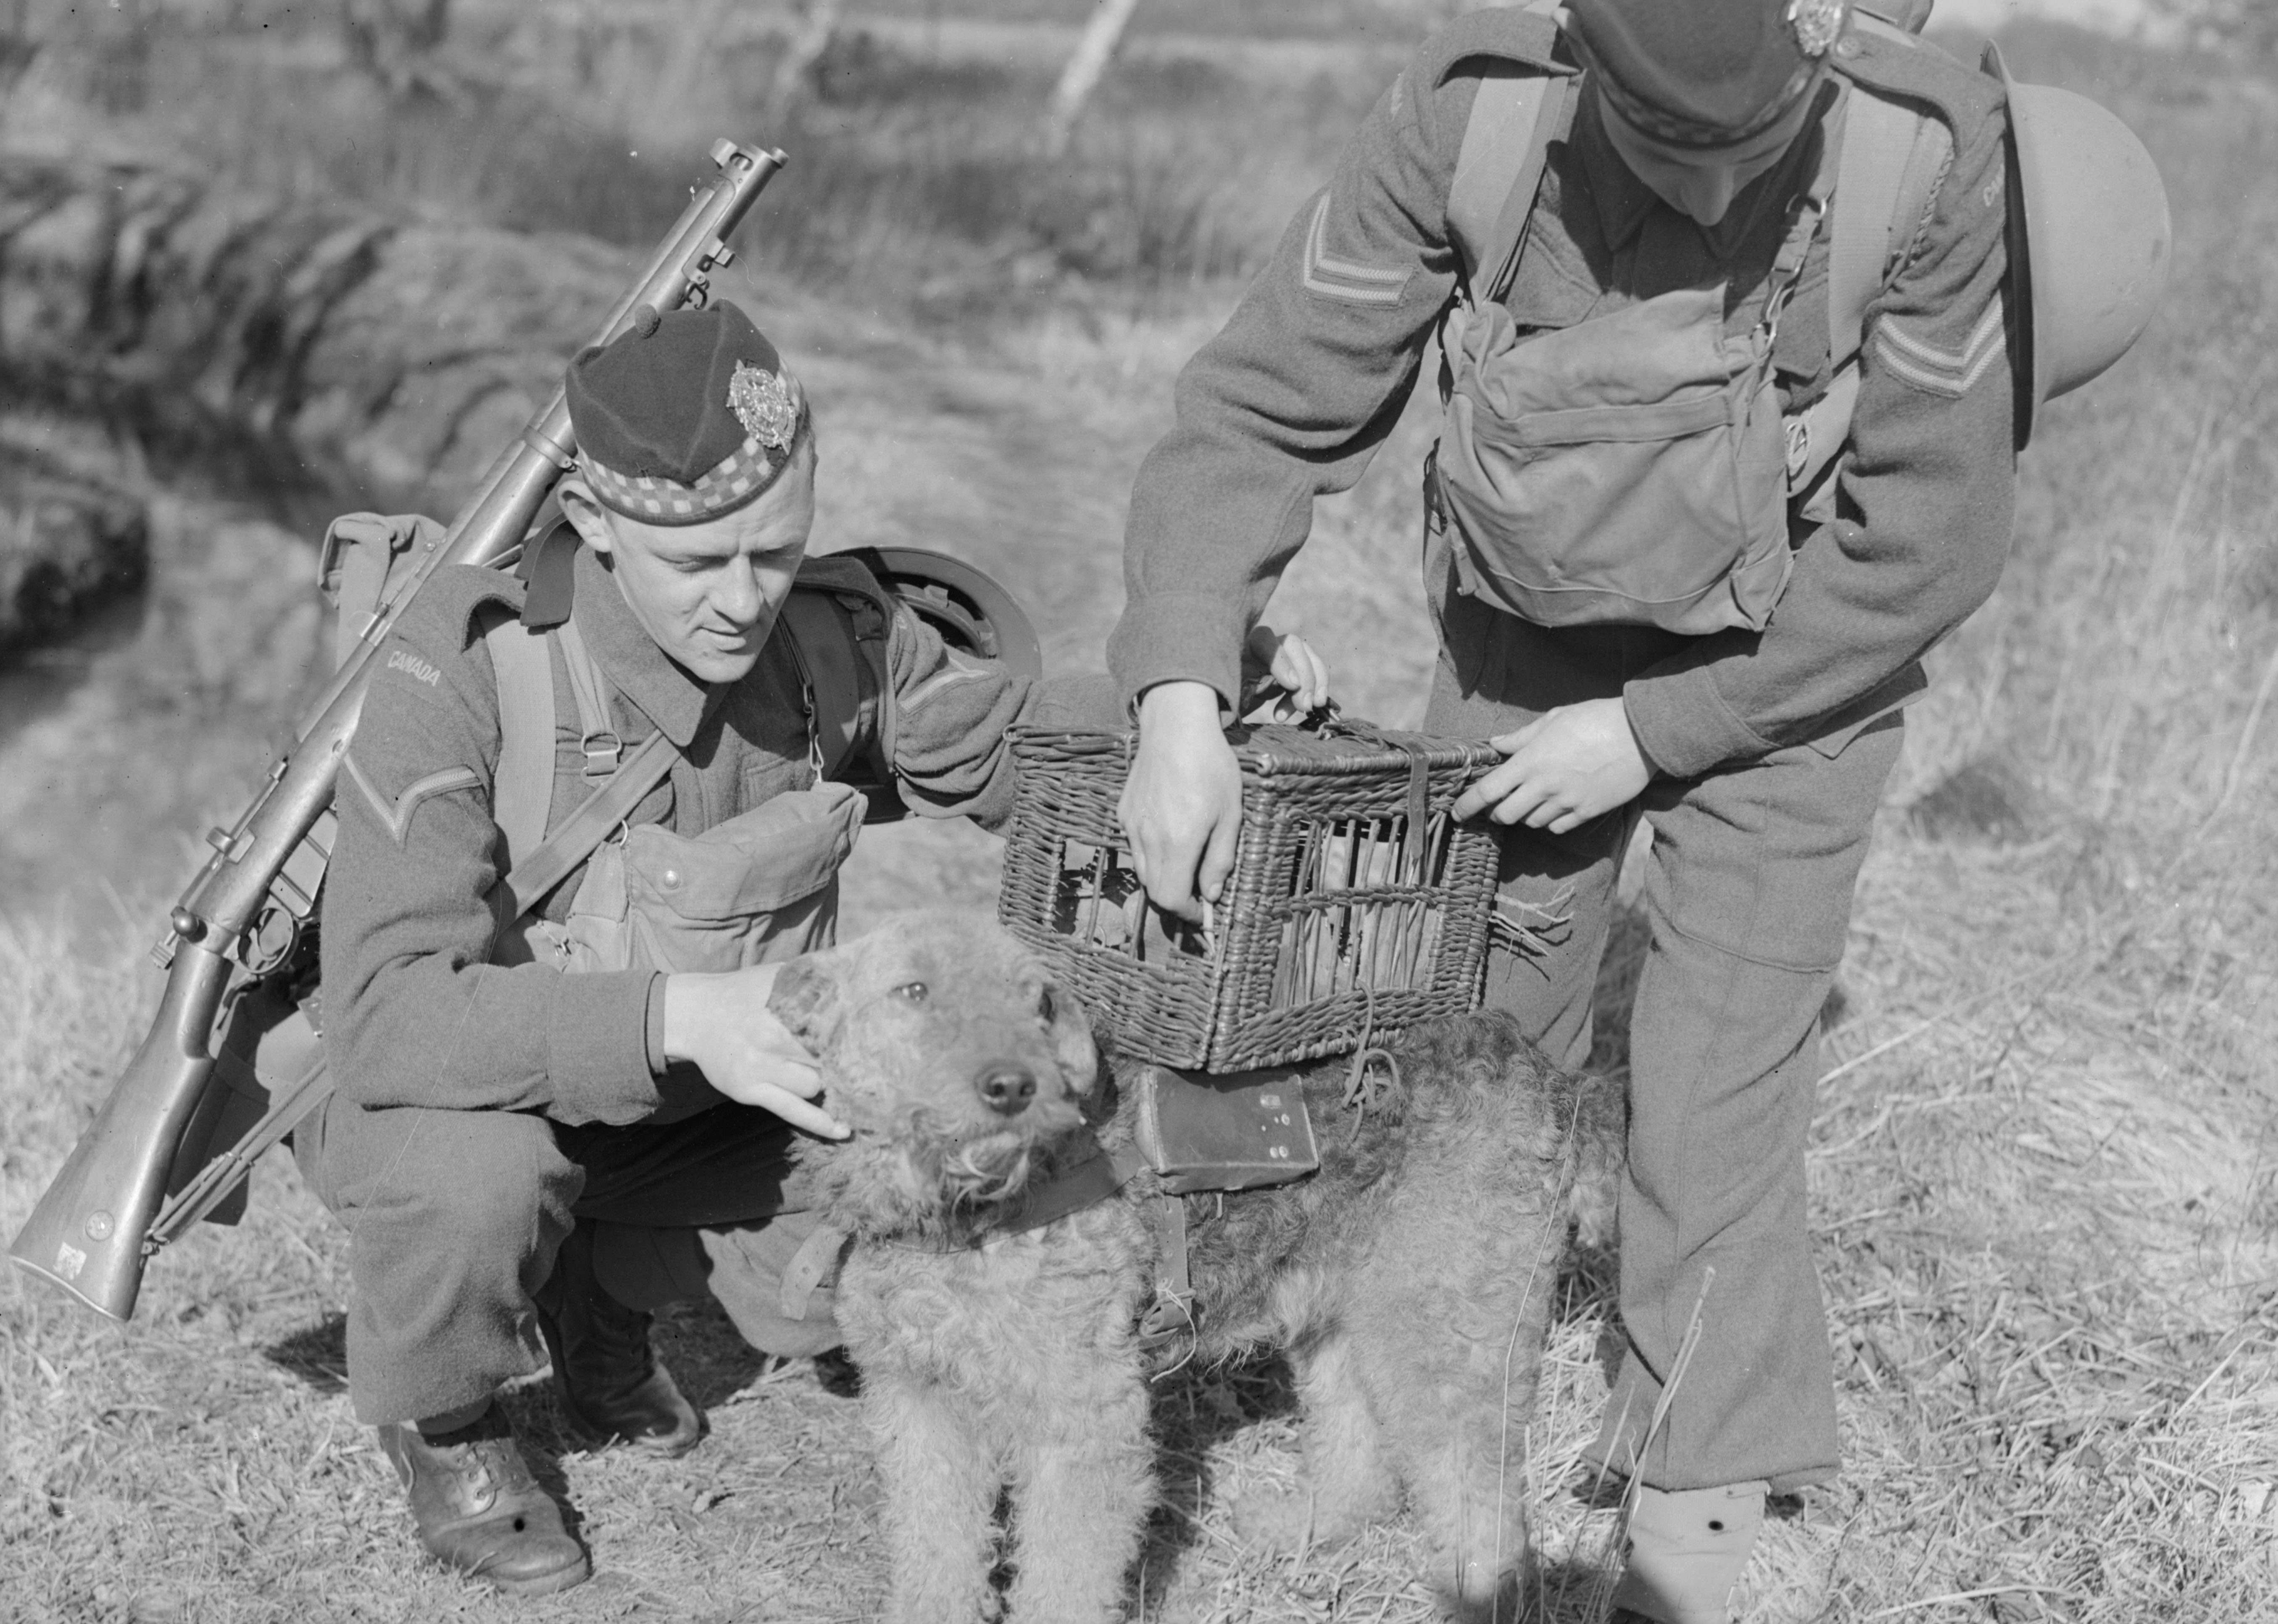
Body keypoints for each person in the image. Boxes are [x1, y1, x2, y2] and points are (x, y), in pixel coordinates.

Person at [1107, 2, 2015, 1619]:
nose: (1715, 197)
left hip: (1801, 648)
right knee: (1467, 1040)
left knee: (1718, 1073)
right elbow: (1258, 407)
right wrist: (1179, 687)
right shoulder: (1478, 114)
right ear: (1588, 69)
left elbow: (1927, 544)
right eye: (1667, 149)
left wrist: (1660, 732)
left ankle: (1699, 1476)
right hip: (1532, 610)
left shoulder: (1921, 152)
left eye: (1753, 148)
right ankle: (1418, 1368)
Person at [300, 302, 1038, 1596]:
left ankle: (602, 1289)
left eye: (776, 549)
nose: (744, 599)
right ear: (593, 520)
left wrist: (1188, 708)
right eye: (698, 561)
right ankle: (446, 1413)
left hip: (682, 1103)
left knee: (933, 1160)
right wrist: (681, 1016)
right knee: (481, 1183)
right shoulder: (464, 664)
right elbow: (387, 1013)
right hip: (444, 1092)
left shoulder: (827, 639)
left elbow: (1007, 744)